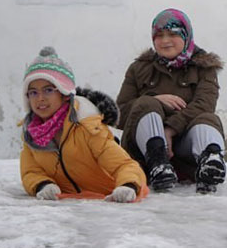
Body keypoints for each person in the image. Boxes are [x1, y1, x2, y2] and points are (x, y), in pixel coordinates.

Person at [116, 9, 227, 194]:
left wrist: (170, 129)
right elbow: (119, 113)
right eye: (159, 35)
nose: (165, 40)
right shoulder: (139, 68)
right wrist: (154, 100)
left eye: (173, 33)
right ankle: (157, 162)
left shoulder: (204, 67)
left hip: (185, 147)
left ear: (186, 34)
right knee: (146, 104)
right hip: (144, 153)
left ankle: (210, 161)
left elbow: (205, 104)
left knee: (208, 118)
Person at [19, 47, 147, 202]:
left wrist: (128, 186)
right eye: (33, 92)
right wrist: (43, 185)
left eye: (48, 90)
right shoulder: (31, 134)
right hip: (71, 206)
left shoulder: (87, 127)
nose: (40, 98)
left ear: (64, 94)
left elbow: (125, 165)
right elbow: (30, 172)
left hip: (110, 203)